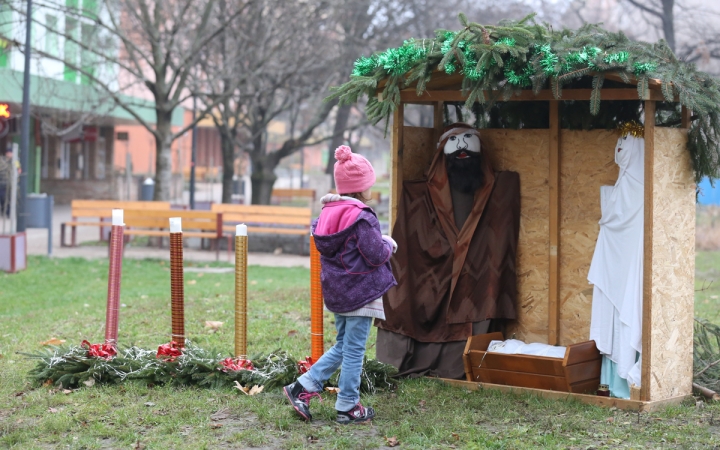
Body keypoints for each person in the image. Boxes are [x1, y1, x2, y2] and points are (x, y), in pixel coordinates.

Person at [375, 123, 520, 379]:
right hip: (431, 276)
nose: (461, 145)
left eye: (467, 138)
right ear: (441, 149)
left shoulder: (499, 190)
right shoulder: (418, 194)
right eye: (453, 140)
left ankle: (462, 358)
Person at [283, 145, 397, 424]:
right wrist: (388, 243)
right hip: (361, 292)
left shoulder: (327, 213)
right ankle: (347, 405)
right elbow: (376, 254)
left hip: (337, 291)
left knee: (344, 344)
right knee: (355, 348)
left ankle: (302, 386)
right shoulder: (362, 216)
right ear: (362, 188)